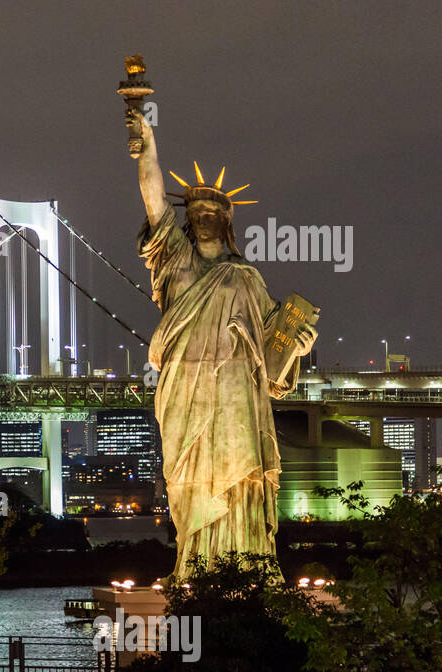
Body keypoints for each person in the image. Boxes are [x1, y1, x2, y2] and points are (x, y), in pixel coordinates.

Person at [125, 108, 318, 577]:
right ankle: (194, 569)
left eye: (215, 211)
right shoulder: (174, 259)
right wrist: (145, 141)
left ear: (228, 220)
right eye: (197, 211)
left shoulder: (247, 277)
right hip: (186, 390)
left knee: (242, 475)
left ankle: (249, 568)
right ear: (186, 219)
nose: (206, 216)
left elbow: (274, 346)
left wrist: (300, 346)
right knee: (190, 479)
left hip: (236, 393)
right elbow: (153, 199)